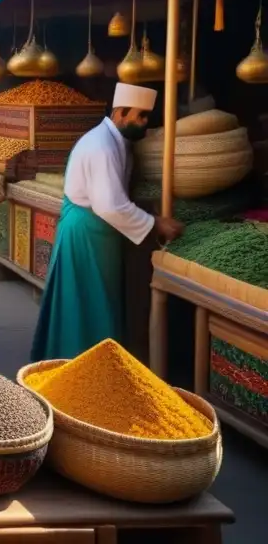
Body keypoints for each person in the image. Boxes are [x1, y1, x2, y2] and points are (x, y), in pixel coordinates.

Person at [30, 83, 186, 362]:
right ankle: (83, 368)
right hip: (86, 233)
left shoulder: (115, 141)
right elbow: (109, 205)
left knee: (96, 300)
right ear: (120, 113)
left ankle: (93, 367)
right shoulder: (101, 145)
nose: (143, 123)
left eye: (146, 117)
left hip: (98, 233)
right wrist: (155, 223)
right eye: (139, 116)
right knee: (88, 302)